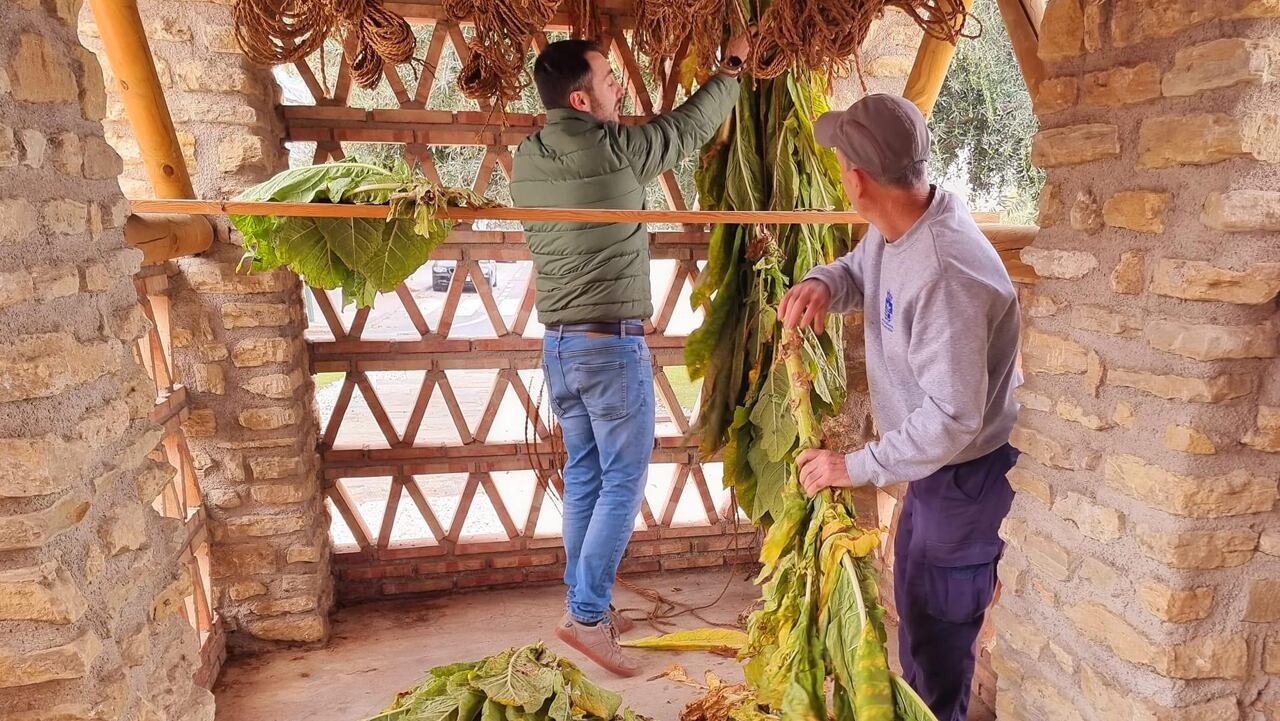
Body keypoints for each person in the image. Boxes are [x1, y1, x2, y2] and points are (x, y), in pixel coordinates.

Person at [779, 94, 1022, 721]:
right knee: (915, 614)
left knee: (938, 646)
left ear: (857, 180)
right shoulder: (901, 225)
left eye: (839, 162)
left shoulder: (947, 274)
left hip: (964, 475)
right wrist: (823, 283)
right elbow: (858, 269)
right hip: (931, 471)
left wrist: (853, 466)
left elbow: (952, 417)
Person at [510, 36, 747, 678]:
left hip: (559, 348)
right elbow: (690, 126)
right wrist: (731, 67)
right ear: (582, 97)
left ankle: (585, 607)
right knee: (622, 479)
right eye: (610, 80)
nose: (620, 89)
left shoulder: (526, 158)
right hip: (610, 347)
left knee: (585, 475)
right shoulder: (618, 152)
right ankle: (587, 617)